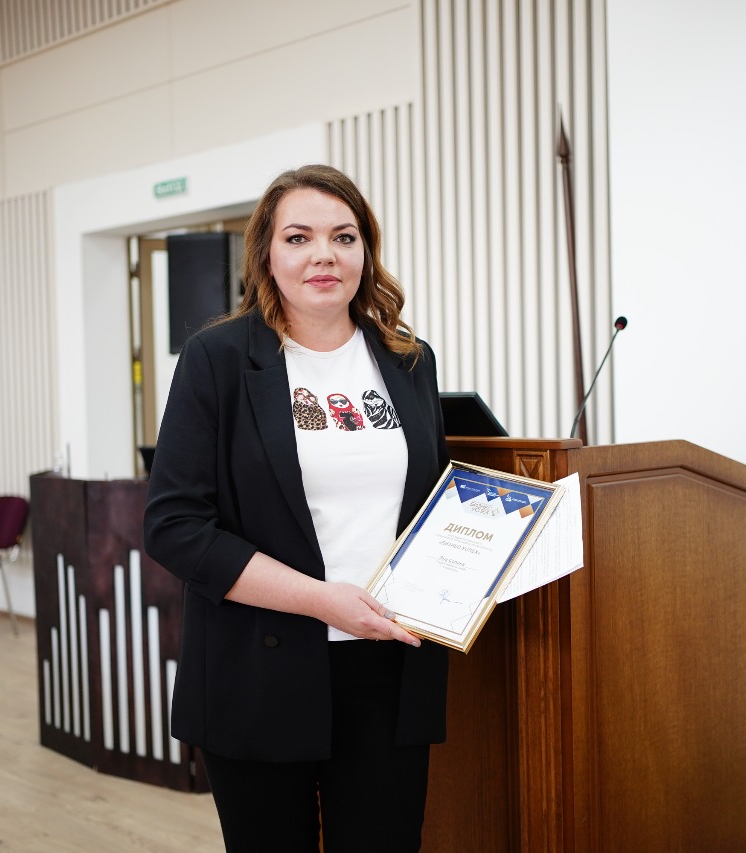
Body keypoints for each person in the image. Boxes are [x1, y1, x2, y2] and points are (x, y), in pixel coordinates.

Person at [143, 164, 450, 852]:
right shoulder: (217, 359)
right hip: (260, 669)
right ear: (266, 253)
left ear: (365, 251)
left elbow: (431, 503)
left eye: (343, 236)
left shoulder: (408, 360)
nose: (323, 255)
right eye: (299, 237)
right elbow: (174, 528)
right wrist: (322, 601)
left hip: (389, 669)